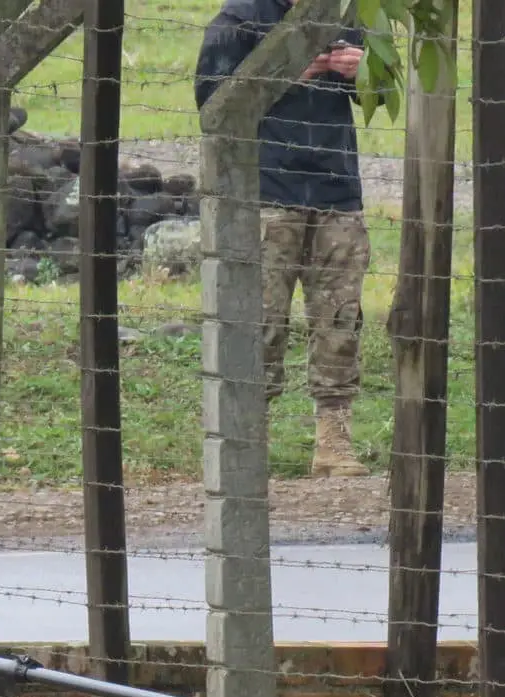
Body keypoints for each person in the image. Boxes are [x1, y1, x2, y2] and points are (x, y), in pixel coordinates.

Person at [195, 0, 371, 478]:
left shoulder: (345, 17)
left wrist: (363, 73)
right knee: (261, 319)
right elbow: (211, 106)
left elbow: (386, 94)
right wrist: (287, 73)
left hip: (337, 190)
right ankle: (249, 439)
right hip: (264, 192)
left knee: (340, 319)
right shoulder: (237, 20)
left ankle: (334, 441)